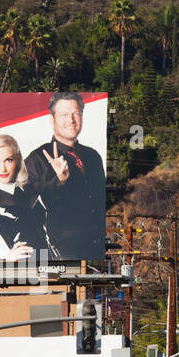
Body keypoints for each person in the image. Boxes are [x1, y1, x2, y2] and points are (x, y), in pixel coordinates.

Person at [23, 91, 107, 261]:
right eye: (63, 115)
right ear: (51, 119)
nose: (71, 120)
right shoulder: (37, 158)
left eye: (76, 114)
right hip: (58, 254)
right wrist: (59, 181)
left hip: (94, 249)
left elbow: (99, 202)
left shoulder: (93, 156)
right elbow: (24, 203)